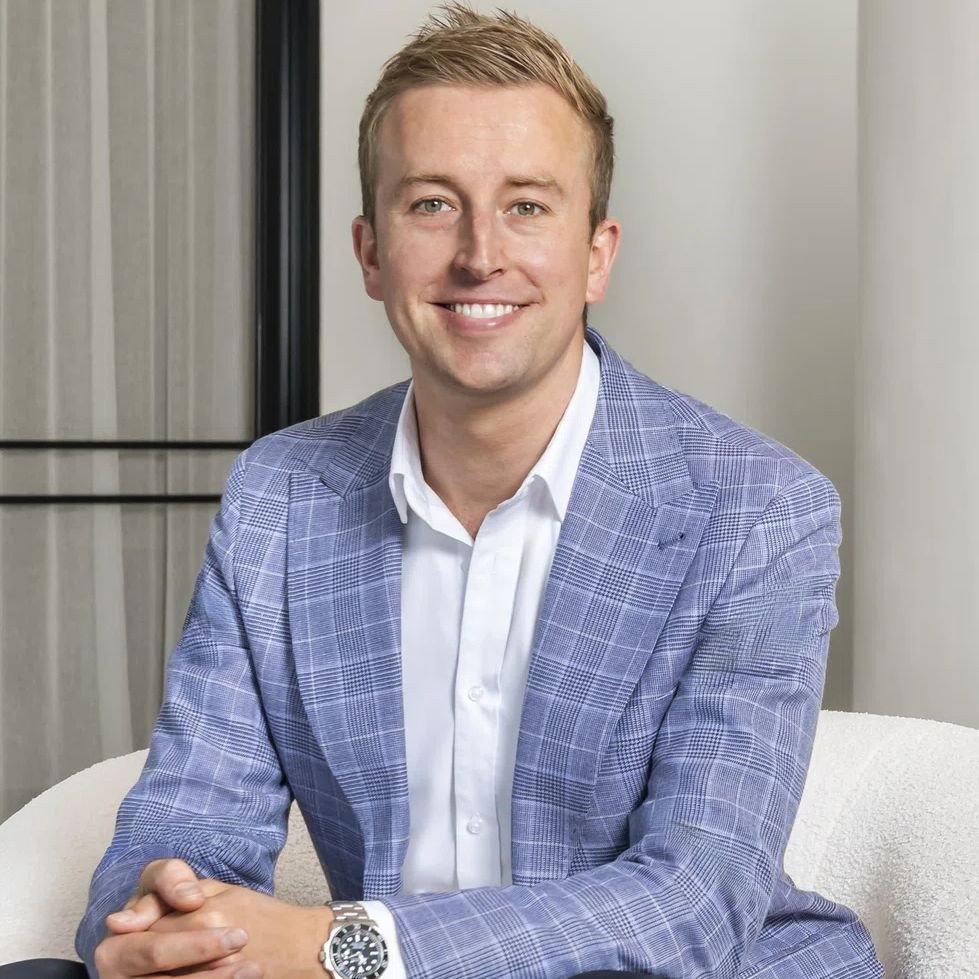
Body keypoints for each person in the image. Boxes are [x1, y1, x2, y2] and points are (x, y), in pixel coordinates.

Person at [8, 5, 882, 979]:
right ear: (370, 252)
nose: (478, 254)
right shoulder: (279, 498)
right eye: (431, 204)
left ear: (596, 253)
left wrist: (341, 947)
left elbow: (695, 899)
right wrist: (164, 919)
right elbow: (188, 815)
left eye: (527, 206)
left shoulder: (756, 509)